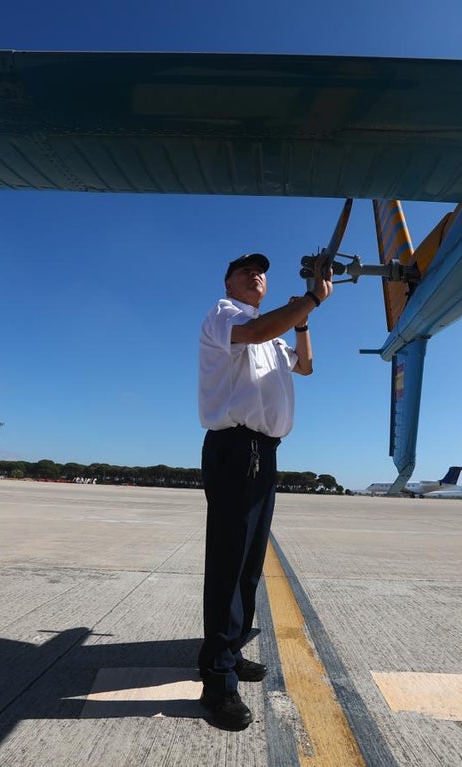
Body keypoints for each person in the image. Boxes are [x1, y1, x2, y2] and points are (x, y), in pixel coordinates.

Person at [196, 250, 334, 729]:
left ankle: (228, 654)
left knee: (250, 564)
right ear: (229, 282)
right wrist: (313, 298)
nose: (257, 275)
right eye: (246, 271)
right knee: (229, 564)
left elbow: (308, 367)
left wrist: (301, 319)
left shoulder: (273, 333)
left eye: (262, 273)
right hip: (234, 449)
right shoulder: (225, 315)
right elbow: (255, 332)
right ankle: (217, 681)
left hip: (264, 453)